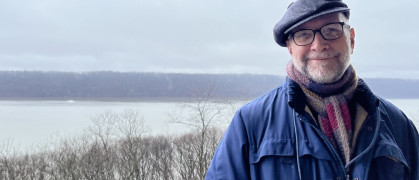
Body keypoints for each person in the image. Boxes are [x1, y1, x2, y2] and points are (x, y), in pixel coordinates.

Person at [206, 0, 419, 179]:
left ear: (351, 39)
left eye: (332, 31)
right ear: (290, 47)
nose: (319, 45)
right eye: (304, 35)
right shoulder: (250, 124)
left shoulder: (397, 125)